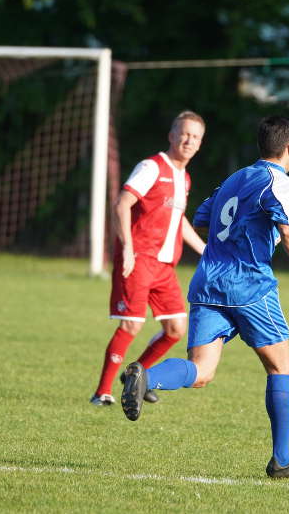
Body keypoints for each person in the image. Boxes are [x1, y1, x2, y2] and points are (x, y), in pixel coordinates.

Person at [120, 115, 289, 480]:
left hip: (207, 282)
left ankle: (146, 377)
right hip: (248, 284)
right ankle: (281, 460)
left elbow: (201, 217)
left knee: (202, 371)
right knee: (281, 366)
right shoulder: (283, 184)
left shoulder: (234, 179)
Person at [90, 111, 207, 407]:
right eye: (184, 133)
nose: (189, 140)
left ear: (200, 144)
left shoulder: (185, 177)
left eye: (195, 137)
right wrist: (127, 248)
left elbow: (178, 220)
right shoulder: (152, 167)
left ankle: (136, 376)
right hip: (140, 258)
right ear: (171, 136)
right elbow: (122, 203)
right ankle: (102, 392)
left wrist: (206, 250)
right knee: (131, 325)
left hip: (165, 266)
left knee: (177, 329)